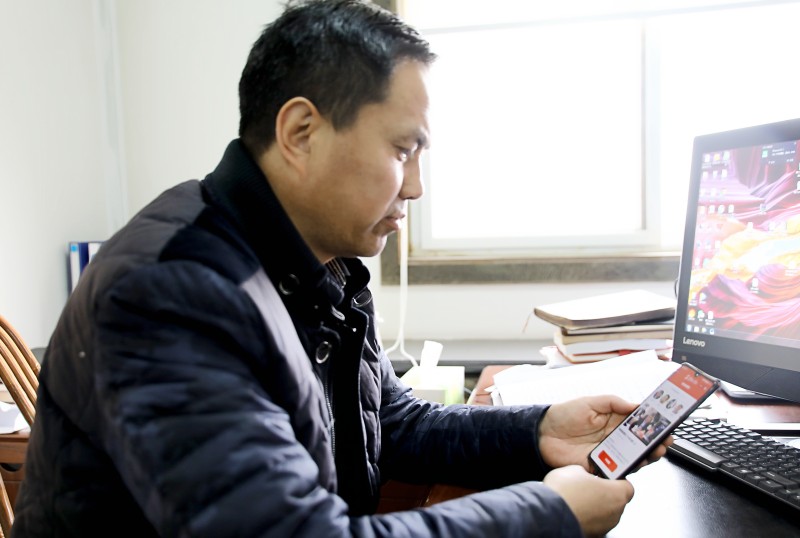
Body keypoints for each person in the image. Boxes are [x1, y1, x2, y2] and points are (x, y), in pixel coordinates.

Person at [12, 1, 669, 536]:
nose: (415, 187)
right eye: (403, 150)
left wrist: (540, 430)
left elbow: (396, 424)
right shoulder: (173, 292)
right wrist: (548, 515)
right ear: (301, 133)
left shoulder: (319, 263)